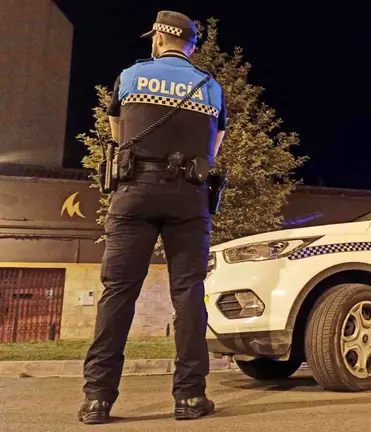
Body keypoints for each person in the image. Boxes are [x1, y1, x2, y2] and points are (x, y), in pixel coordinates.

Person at [78, 10, 227, 424]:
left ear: (159, 40)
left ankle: (97, 400)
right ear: (191, 45)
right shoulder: (210, 86)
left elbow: (117, 132)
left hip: (134, 193)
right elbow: (214, 147)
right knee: (189, 294)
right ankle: (190, 398)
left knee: (118, 294)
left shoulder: (130, 76)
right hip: (188, 199)